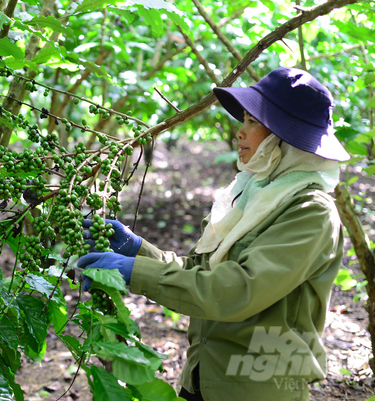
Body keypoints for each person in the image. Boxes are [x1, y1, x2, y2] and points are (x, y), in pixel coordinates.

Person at [77, 67, 348, 401]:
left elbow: (236, 290)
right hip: (204, 377)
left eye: (252, 122)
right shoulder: (250, 192)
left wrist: (136, 274)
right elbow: (203, 271)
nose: (240, 133)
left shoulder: (310, 212)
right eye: (243, 120)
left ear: (285, 136)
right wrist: (138, 251)